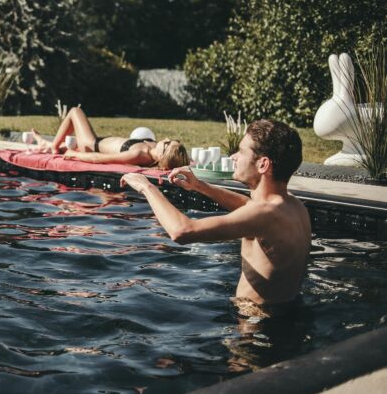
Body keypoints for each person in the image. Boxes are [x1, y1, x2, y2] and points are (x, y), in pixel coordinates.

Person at [120, 119, 311, 317]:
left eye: (241, 151)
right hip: (285, 312)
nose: (233, 156)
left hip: (256, 325)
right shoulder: (292, 206)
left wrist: (147, 187)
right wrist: (200, 186)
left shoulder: (266, 215)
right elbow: (250, 207)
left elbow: (182, 231)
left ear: (263, 164)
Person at [31, 106, 190, 170]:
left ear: (162, 155)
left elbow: (101, 159)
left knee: (74, 112)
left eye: (168, 143)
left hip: (91, 144)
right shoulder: (153, 148)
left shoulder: (139, 155)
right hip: (94, 142)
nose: (167, 138)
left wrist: (75, 155)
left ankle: (52, 147)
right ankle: (47, 143)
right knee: (62, 144)